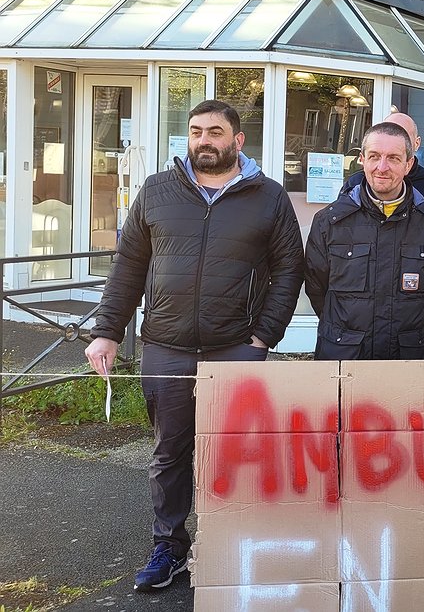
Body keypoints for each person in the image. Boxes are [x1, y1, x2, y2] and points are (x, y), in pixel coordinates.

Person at [84, 100, 304, 591]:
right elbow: (128, 266)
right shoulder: (158, 190)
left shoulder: (267, 197)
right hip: (166, 345)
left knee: (239, 450)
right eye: (197, 131)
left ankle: (236, 542)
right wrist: (107, 330)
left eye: (216, 132)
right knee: (169, 453)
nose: (205, 140)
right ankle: (169, 547)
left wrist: (264, 336)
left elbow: (290, 269)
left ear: (237, 140)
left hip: (235, 348)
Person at [306, 122, 424, 360]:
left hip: (411, 356)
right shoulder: (330, 222)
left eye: (394, 158)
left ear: (408, 164)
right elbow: (317, 288)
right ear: (362, 160)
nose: (382, 167)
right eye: (374, 156)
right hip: (345, 353)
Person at [342, 112, 424, 265]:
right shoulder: (356, 184)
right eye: (389, 131)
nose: (394, 138)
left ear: (416, 143)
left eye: (403, 135)